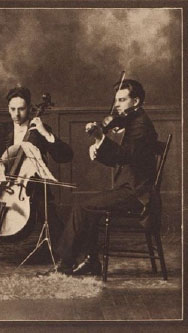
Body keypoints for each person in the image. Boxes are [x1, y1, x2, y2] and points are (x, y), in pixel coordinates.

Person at [56, 79, 158, 275]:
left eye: (122, 100)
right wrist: (99, 147)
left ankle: (65, 264)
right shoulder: (132, 122)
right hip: (128, 188)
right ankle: (91, 261)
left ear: (135, 101)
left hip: (137, 193)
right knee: (90, 206)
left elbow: (124, 155)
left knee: (83, 206)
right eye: (116, 100)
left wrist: (100, 139)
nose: (116, 105)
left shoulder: (141, 126)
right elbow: (123, 161)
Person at [0, 86, 73, 262]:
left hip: (30, 182)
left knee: (45, 207)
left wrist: (46, 134)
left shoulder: (40, 128)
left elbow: (65, 156)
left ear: (30, 108)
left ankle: (63, 249)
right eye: (12, 109)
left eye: (21, 109)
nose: (16, 114)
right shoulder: (1, 130)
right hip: (5, 180)